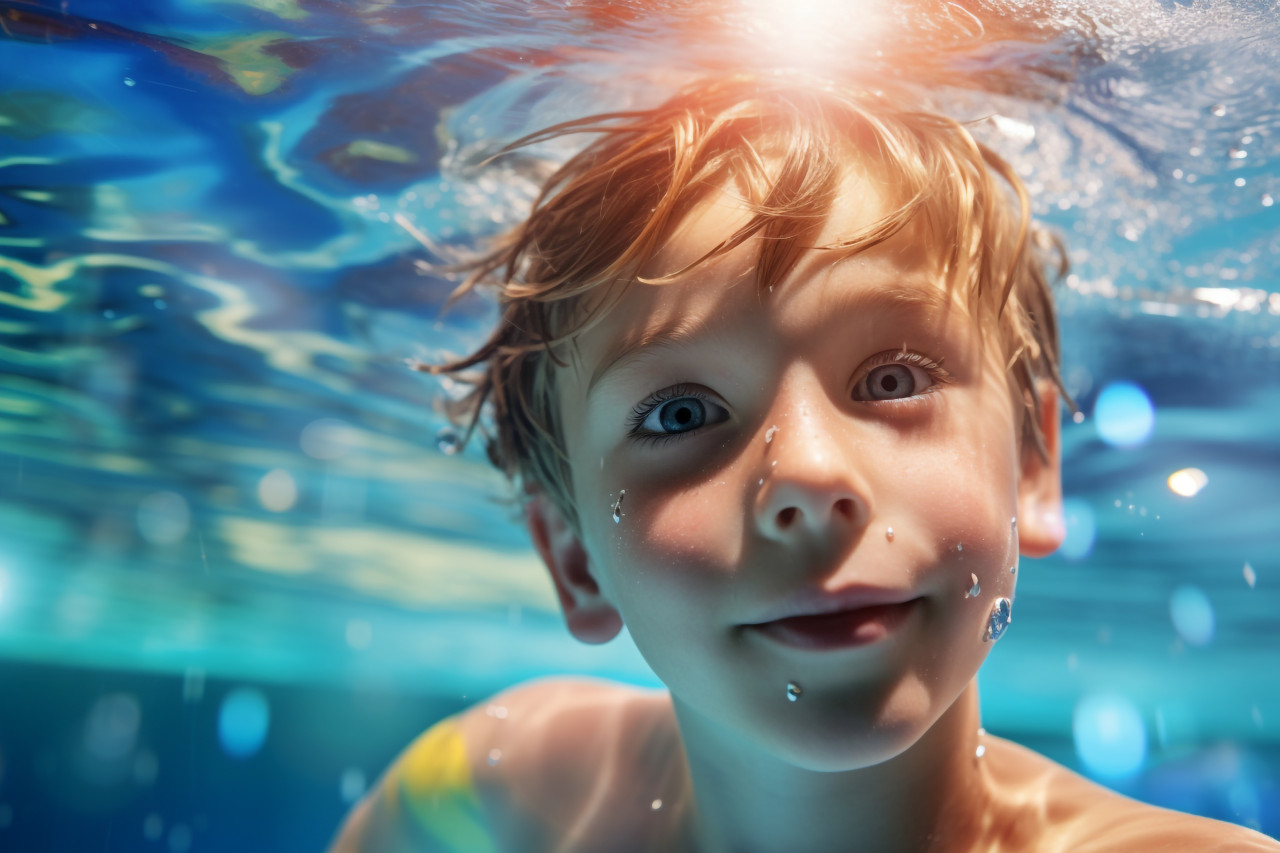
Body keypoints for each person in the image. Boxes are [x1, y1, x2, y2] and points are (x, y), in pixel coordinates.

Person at [329, 74, 1279, 852]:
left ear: (1032, 463)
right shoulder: (508, 785)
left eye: (894, 377)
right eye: (682, 412)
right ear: (575, 558)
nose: (808, 476)